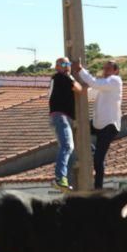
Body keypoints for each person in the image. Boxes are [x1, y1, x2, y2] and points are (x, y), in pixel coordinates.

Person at [73, 59, 122, 189]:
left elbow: (93, 83)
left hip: (109, 126)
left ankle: (98, 188)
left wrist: (80, 70)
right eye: (104, 69)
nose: (105, 71)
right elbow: (87, 93)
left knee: (98, 160)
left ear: (116, 71)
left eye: (108, 69)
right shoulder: (102, 86)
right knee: (78, 130)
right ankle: (93, 150)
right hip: (97, 124)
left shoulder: (115, 81)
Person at [49, 57, 82, 191]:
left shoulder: (61, 78)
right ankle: (60, 178)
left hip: (61, 117)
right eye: (63, 64)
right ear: (57, 67)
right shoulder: (60, 77)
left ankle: (64, 179)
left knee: (69, 149)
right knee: (67, 146)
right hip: (61, 117)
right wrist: (76, 72)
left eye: (67, 63)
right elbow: (79, 89)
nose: (66, 66)